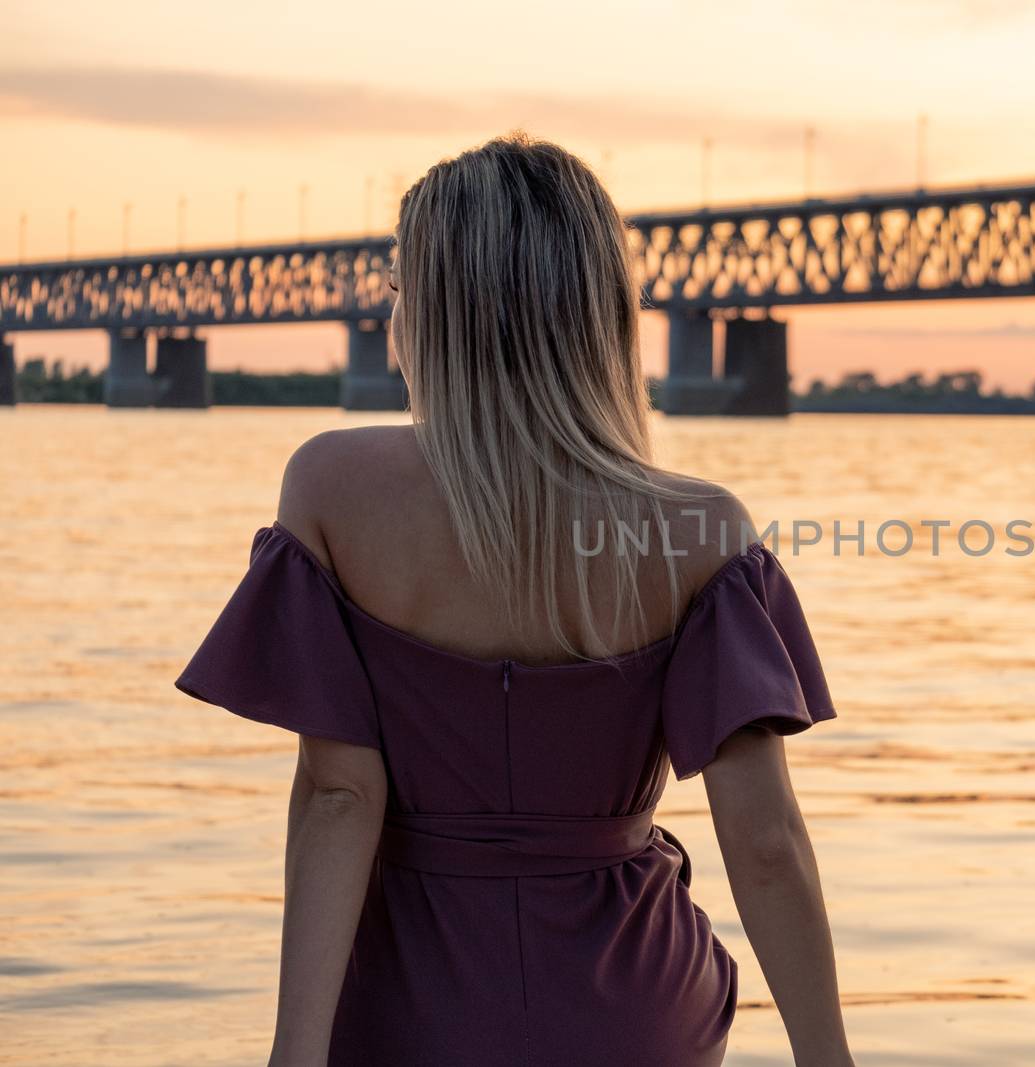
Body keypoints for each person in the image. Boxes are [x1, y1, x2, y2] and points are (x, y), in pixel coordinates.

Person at [173, 133, 852, 1066]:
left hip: (412, 999)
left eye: (403, 289)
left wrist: (293, 1055)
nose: (393, 316)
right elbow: (765, 840)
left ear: (440, 314)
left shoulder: (333, 486)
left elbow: (339, 797)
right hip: (635, 1004)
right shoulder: (701, 529)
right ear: (601, 313)